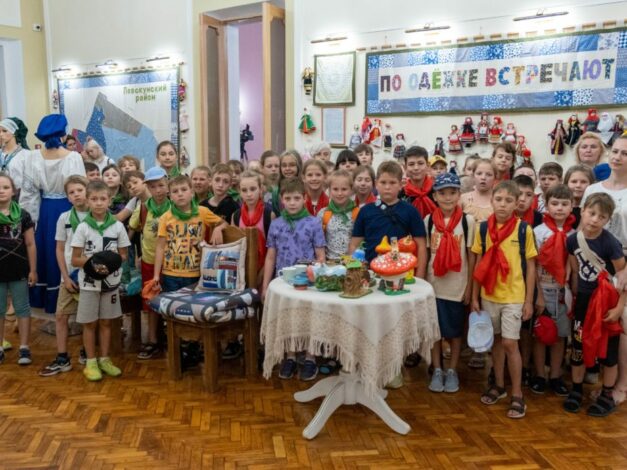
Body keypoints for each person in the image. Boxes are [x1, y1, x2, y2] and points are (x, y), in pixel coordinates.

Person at [350, 161, 427, 384]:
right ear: (376, 184)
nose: (387, 187)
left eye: (392, 183)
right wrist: (354, 272)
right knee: (368, 322)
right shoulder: (366, 212)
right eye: (383, 182)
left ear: (401, 185)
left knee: (393, 324)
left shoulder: (410, 211)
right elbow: (354, 244)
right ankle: (366, 366)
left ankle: (393, 368)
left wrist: (420, 277)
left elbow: (421, 245)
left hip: (401, 276)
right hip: (370, 276)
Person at [471, 181, 537, 419]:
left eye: (509, 200)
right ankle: (498, 384)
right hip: (489, 295)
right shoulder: (482, 229)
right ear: (492, 201)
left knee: (510, 343)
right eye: (498, 199)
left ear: (517, 203)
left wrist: (528, 301)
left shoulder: (523, 230)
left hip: (514, 296)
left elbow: (531, 267)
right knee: (497, 342)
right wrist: (474, 296)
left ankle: (517, 393)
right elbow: (478, 264)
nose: (503, 204)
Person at [15, 114, 86, 314]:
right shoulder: (73, 157)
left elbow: (29, 193)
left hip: (45, 210)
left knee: (47, 249)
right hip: (68, 207)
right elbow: (80, 188)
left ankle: (45, 298)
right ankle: (69, 295)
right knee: (67, 249)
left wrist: (28, 221)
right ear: (63, 133)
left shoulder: (33, 157)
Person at [565, 193, 626, 416]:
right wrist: (573, 299)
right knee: (578, 347)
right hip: (583, 303)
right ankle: (576, 389)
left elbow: (622, 277)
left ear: (608, 220)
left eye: (601, 217)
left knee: (609, 352)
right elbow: (575, 271)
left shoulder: (610, 243)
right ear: (582, 211)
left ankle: (607, 393)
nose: (594, 220)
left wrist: (619, 308)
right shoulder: (573, 240)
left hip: (607, 304)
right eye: (591, 213)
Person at [262, 177, 326, 381]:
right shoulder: (276, 224)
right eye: (288, 198)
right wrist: (265, 285)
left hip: (308, 282)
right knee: (288, 318)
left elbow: (320, 255)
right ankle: (290, 356)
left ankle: (310, 357)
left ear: (304, 198)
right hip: (283, 282)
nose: (292, 203)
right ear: (281, 199)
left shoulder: (314, 222)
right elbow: (270, 256)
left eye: (296, 198)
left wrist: (318, 278)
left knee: (308, 318)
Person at [70, 180, 131, 381]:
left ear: (109, 200)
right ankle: (90, 362)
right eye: (94, 199)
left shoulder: (118, 227)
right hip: (89, 284)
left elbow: (124, 255)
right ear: (87, 201)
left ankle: (105, 359)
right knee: (90, 323)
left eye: (102, 199)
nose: (98, 203)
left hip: (110, 283)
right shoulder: (82, 228)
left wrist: (109, 263)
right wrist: (95, 263)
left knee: (106, 322)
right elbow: (75, 259)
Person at [584, 136, 627, 405]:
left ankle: (621, 384)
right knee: (598, 321)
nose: (618, 157)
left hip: (623, 263)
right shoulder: (593, 189)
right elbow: (583, 229)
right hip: (595, 263)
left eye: (625, 153)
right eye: (615, 151)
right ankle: (604, 380)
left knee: (621, 324)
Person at [423, 173, 475, 393]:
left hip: (457, 287)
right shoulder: (428, 221)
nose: (447, 197)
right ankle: (437, 368)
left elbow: (471, 256)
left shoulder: (467, 221)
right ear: (435, 196)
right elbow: (426, 253)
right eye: (442, 193)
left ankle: (452, 370)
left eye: (452, 192)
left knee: (454, 332)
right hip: (434, 287)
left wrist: (470, 288)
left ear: (459, 195)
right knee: (434, 332)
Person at [39, 176, 90, 376]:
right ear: (67, 197)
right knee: (61, 316)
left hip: (90, 276)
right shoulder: (64, 218)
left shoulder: (96, 215)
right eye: (71, 192)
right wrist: (65, 277)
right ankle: (62, 357)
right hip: (68, 276)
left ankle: (87, 352)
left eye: (80, 190)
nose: (76, 195)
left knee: (87, 318)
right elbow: (59, 249)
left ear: (87, 191)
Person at [531, 184, 575, 396]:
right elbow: (533, 265)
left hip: (563, 292)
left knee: (560, 336)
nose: (559, 208)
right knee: (540, 334)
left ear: (572, 206)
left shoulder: (574, 234)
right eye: (555, 203)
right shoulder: (538, 232)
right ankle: (540, 374)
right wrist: (538, 294)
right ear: (546, 206)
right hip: (543, 289)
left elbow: (574, 265)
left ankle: (556, 375)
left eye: (564, 204)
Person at [227, 170, 273, 360]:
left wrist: (262, 273)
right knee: (244, 307)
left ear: (261, 190)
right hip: (243, 271)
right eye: (244, 190)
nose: (249, 194)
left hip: (264, 269)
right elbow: (234, 245)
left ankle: (262, 346)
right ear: (239, 191)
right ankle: (245, 343)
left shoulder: (269, 214)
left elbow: (272, 247)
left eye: (253, 189)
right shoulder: (236, 215)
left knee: (262, 306)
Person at [153, 175, 227, 292]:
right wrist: (156, 275)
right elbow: (160, 247)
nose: (180, 194)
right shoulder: (165, 218)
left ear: (192, 193)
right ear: (170, 196)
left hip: (194, 273)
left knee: (192, 303)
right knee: (172, 303)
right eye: (175, 191)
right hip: (170, 274)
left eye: (184, 189)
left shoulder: (202, 212)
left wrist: (218, 229)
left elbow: (224, 223)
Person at [129, 167, 171, 359]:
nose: (158, 190)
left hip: (171, 264)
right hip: (148, 261)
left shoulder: (174, 207)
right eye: (153, 187)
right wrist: (129, 255)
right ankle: (153, 340)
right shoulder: (143, 208)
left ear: (168, 185)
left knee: (171, 301)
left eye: (161, 185)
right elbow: (132, 230)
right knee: (150, 302)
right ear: (148, 188)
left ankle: (173, 339)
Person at [0, 173, 36, 366]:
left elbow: (30, 244)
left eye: (5, 187)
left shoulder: (23, 215)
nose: (1, 191)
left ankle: (24, 347)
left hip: (19, 269)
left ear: (13, 191)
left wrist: (33, 270)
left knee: (22, 308)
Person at [319, 170, 358, 260]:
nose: (339, 193)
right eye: (335, 189)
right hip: (330, 262)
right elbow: (319, 241)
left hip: (353, 262)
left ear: (351, 190)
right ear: (329, 190)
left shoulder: (358, 213)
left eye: (344, 189)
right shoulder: (323, 213)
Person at [400, 146, 436, 219]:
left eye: (420, 163)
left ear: (428, 166)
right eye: (411, 164)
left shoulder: (438, 191)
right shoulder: (400, 194)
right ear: (405, 168)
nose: (416, 168)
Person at [461, 159, 496, 224]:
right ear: (473, 176)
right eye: (479, 173)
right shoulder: (462, 199)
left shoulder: (499, 201)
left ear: (495, 178)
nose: (483, 177)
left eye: (489, 174)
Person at [564, 165, 595, 229]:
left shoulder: (594, 210)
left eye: (583, 182)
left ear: (591, 185)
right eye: (574, 181)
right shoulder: (560, 207)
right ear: (566, 183)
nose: (578, 185)